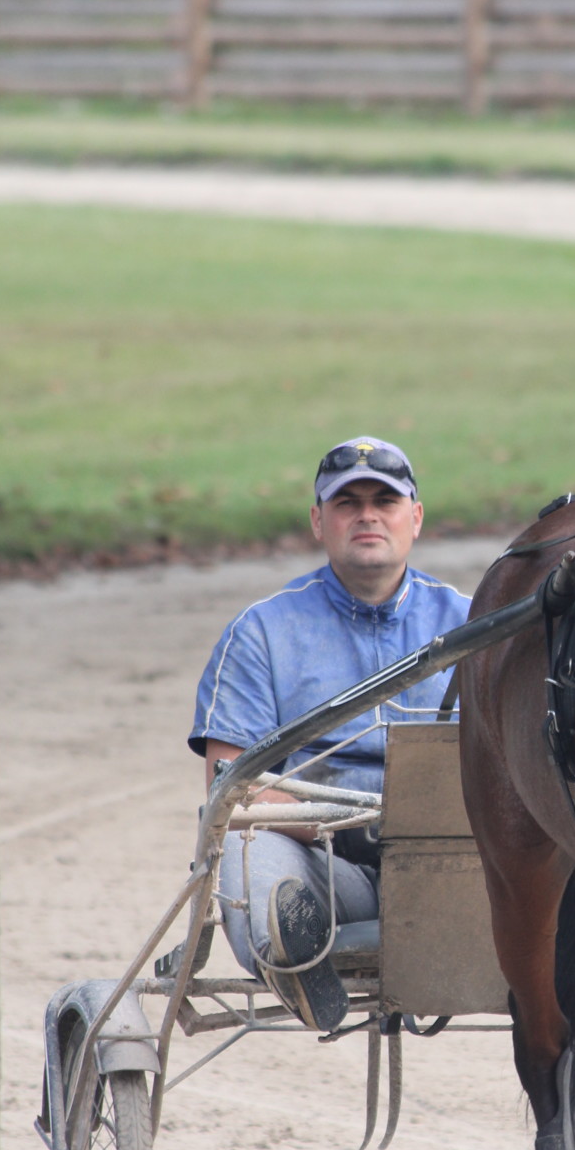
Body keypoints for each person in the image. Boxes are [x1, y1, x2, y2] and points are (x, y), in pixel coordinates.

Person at [190, 437, 470, 1033]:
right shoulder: (261, 632)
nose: (367, 514)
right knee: (244, 842)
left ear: (415, 518)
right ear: (320, 521)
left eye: (385, 501)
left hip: (453, 868)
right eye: (347, 503)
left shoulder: (474, 625)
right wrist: (348, 822)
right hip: (321, 863)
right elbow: (229, 786)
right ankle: (296, 961)